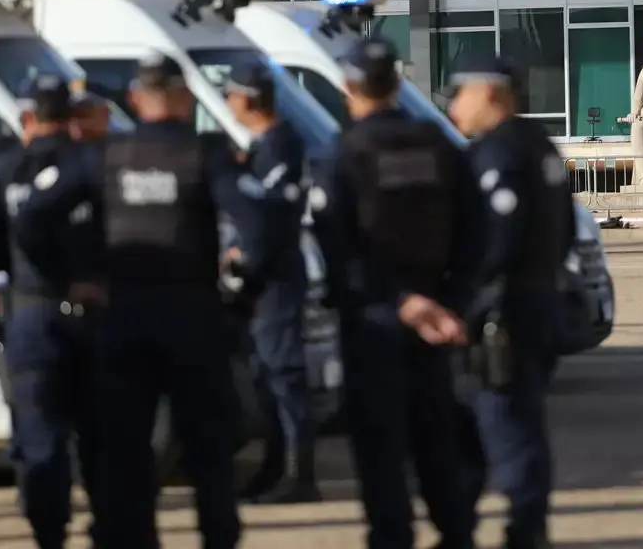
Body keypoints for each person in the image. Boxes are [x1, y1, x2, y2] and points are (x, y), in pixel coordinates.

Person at [14, 53, 271, 549]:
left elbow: (31, 220)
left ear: (134, 98)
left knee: (125, 456)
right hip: (192, 320)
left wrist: (69, 279)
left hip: (123, 322)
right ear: (185, 98)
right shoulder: (207, 153)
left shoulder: (104, 156)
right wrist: (242, 297)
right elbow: (262, 229)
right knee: (209, 456)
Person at [311, 38, 480, 549]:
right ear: (398, 84)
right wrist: (451, 301)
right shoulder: (438, 144)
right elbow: (474, 232)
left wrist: (401, 302)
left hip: (376, 318)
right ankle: (457, 533)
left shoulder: (344, 151)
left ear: (348, 87)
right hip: (436, 318)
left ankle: (393, 537)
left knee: (381, 444)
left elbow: (336, 247)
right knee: (436, 434)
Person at [0, 75, 104, 549]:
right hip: (99, 314)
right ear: (72, 115)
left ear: (26, 118)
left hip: (34, 312)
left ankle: (49, 533)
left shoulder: (4, 167)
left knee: (40, 433)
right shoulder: (98, 162)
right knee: (104, 431)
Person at [444, 55, 574, 549]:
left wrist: (459, 302)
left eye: (462, 93)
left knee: (509, 426)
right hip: (536, 303)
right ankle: (465, 529)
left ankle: (526, 531)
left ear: (492, 94)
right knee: (480, 429)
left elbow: (494, 245)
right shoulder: (539, 146)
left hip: (503, 317)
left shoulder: (501, 153)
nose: (454, 106)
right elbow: (561, 234)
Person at [224, 62, 320, 504]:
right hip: (264, 277)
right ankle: (276, 466)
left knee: (284, 377)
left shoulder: (281, 145)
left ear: (245, 99)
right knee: (266, 377)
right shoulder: (266, 145)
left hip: (275, 277)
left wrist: (247, 270)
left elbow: (270, 221)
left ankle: (299, 474)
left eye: (230, 94)